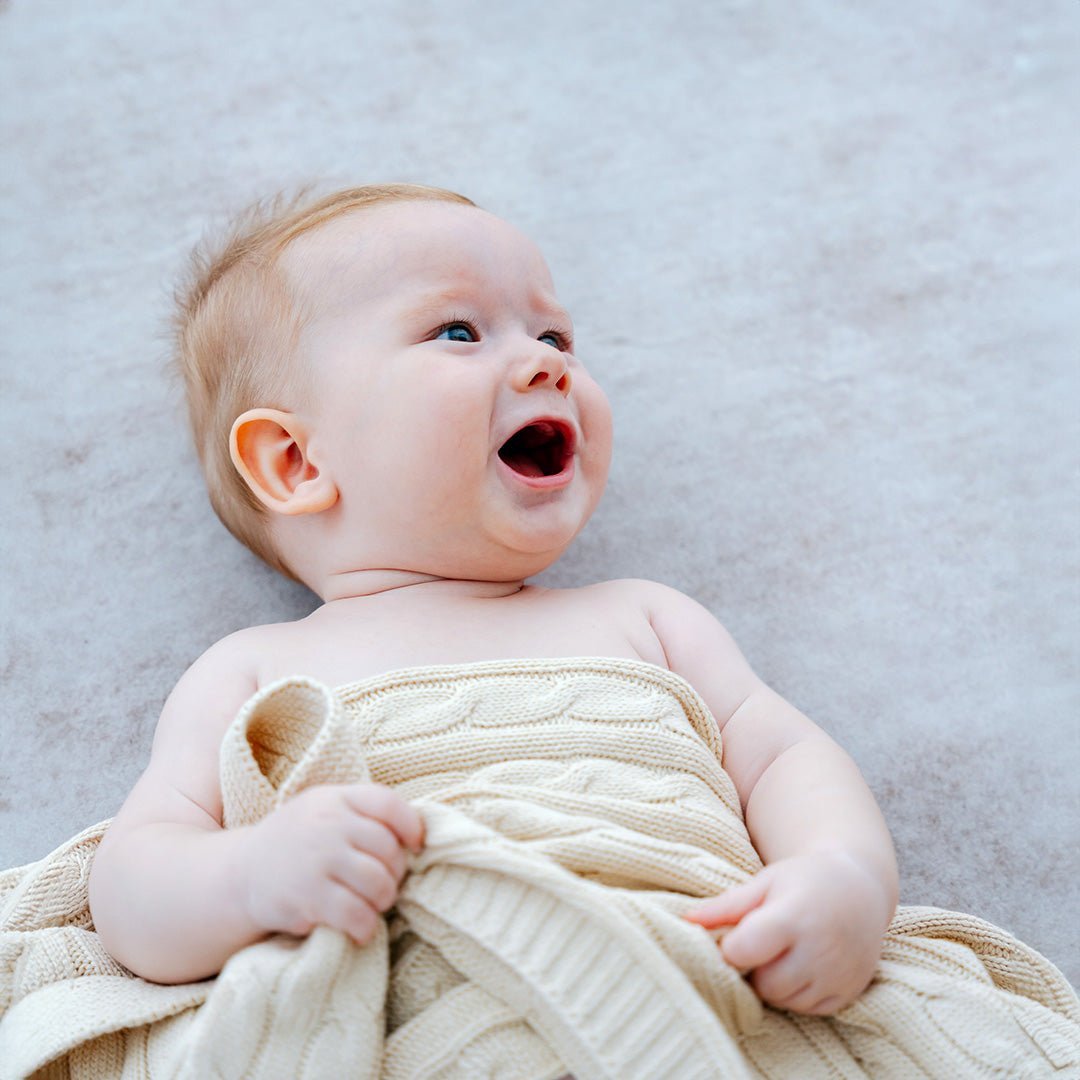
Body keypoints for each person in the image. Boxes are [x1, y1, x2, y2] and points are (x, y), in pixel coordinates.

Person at [87, 183, 899, 1020]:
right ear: (295, 461)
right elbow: (130, 887)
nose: (550, 363)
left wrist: (846, 879)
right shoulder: (251, 671)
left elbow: (787, 760)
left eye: (555, 335)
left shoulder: (650, 620)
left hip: (687, 998)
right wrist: (251, 878)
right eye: (458, 333)